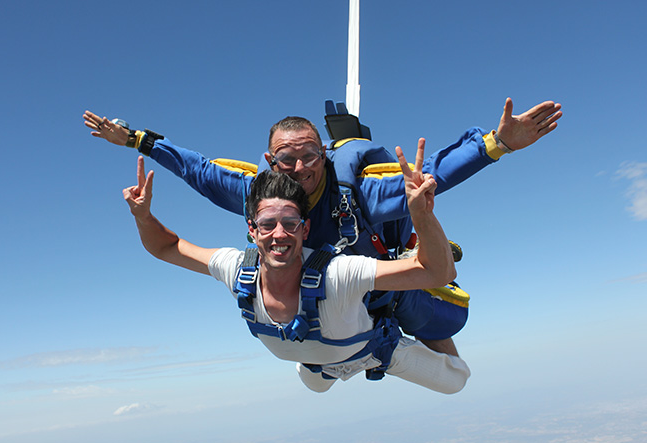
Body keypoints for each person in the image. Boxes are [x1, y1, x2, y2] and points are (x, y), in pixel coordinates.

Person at [84, 98, 562, 355]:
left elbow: (436, 171)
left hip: (380, 282)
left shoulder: (358, 195)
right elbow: (197, 169)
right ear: (271, 160)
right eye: (286, 158)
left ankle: (424, 263)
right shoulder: (258, 195)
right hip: (325, 296)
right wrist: (135, 140)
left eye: (310, 154)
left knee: (442, 339)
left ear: (325, 155)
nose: (299, 167)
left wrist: (498, 142)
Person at [123, 139, 471, 393]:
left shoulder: (340, 273)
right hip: (316, 361)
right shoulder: (236, 268)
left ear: (305, 229)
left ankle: (404, 270)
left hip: (373, 351)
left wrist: (421, 215)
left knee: (457, 380)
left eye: (290, 223)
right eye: (267, 224)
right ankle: (316, 359)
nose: (279, 235)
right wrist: (143, 217)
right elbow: (166, 247)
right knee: (316, 387)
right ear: (252, 230)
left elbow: (438, 273)